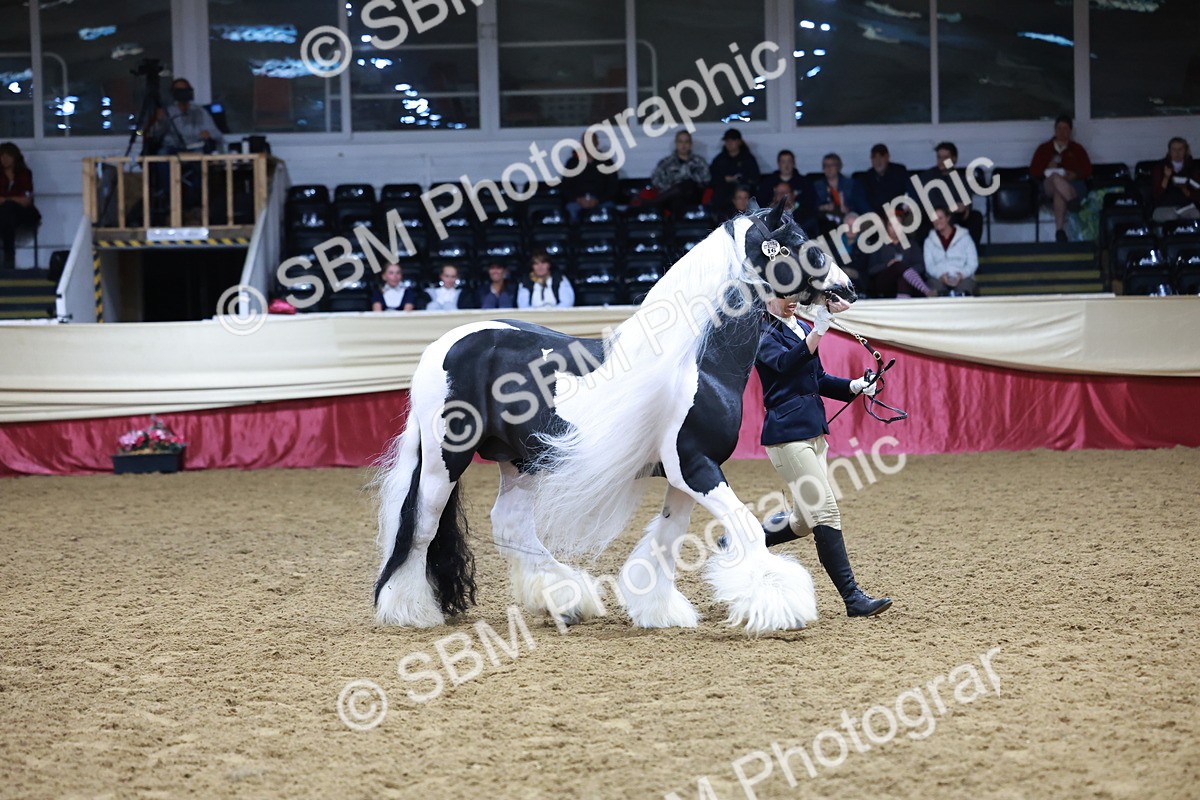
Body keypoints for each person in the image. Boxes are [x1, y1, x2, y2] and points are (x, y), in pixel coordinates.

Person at [754, 294, 892, 618]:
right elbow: (786, 364)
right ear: (766, 297)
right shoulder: (762, 334)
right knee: (826, 511)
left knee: (803, 522)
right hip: (788, 438)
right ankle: (852, 598)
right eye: (781, 296)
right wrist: (817, 333)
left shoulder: (801, 327)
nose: (790, 301)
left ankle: (742, 541)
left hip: (815, 435)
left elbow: (818, 379)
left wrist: (855, 386)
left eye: (792, 295)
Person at [1029, 115, 1092, 243]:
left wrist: (1074, 174)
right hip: (1049, 185)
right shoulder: (1044, 149)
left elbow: (1088, 170)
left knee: (1059, 192)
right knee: (1055, 178)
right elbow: (1034, 171)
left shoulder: (1077, 149)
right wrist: (1047, 167)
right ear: (1055, 130)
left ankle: (1059, 231)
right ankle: (1074, 204)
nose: (1062, 132)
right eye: (1059, 128)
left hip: (1073, 185)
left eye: (1065, 129)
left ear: (1070, 131)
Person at [925, 142, 983, 245]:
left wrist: (964, 209)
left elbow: (966, 204)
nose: (941, 161)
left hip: (956, 216)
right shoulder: (928, 176)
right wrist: (949, 208)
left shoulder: (961, 179)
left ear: (954, 159)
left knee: (976, 217)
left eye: (945, 157)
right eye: (939, 157)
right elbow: (930, 201)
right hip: (935, 216)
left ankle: (971, 252)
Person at [150, 78, 224, 154]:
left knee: (200, 154)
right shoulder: (168, 112)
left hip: (196, 147)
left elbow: (217, 134)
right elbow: (155, 134)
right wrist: (159, 120)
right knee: (162, 154)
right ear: (173, 93)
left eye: (185, 90)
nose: (182, 93)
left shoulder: (200, 111)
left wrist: (209, 134)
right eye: (179, 90)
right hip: (172, 148)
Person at [867, 220, 935, 298]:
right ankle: (926, 290)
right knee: (897, 265)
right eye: (891, 225)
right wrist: (888, 265)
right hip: (884, 283)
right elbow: (871, 270)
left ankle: (903, 305)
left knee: (903, 278)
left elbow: (920, 266)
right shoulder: (879, 245)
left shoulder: (911, 244)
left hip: (908, 283)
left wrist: (905, 272)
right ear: (886, 227)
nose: (895, 228)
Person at [649, 130, 710, 217]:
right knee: (677, 199)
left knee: (688, 184)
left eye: (686, 142)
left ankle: (654, 202)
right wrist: (670, 187)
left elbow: (707, 179)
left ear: (691, 144)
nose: (683, 145)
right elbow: (655, 180)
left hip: (693, 196)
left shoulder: (699, 161)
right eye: (680, 142)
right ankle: (679, 228)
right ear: (676, 144)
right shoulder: (666, 163)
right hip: (671, 199)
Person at [562, 132, 619, 223]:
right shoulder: (572, 163)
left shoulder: (607, 162)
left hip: (601, 201)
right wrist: (578, 199)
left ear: (597, 143)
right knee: (570, 210)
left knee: (609, 210)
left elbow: (613, 186)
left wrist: (598, 200)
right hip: (578, 201)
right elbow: (565, 187)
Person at [757, 149, 818, 232]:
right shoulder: (768, 183)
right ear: (778, 164)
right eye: (783, 162)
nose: (786, 165)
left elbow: (811, 205)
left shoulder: (804, 183)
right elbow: (760, 205)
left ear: (794, 163)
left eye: (789, 161)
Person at [0, 142, 39, 270]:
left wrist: (7, 199)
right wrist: (13, 199)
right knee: (7, 214)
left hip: (23, 213)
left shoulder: (25, 174)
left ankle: (8, 257)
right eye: (2, 156)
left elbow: (26, 200)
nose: (4, 159)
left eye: (7, 156)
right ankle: (9, 257)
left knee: (8, 208)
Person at [923, 207, 978, 296]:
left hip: (962, 277)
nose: (937, 221)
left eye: (940, 218)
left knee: (964, 289)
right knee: (933, 288)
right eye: (934, 219)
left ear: (948, 218)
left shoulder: (965, 237)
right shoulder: (929, 241)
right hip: (939, 278)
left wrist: (961, 275)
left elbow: (973, 263)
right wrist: (940, 276)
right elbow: (929, 265)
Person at [709, 128, 760, 219]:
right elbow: (712, 178)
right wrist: (725, 179)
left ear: (739, 142)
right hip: (724, 193)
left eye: (732, 140)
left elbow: (755, 177)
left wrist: (740, 179)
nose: (729, 143)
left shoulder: (748, 159)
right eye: (727, 141)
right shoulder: (719, 160)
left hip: (743, 190)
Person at [812, 153, 867, 234]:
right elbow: (811, 206)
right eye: (826, 165)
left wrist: (848, 209)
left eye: (832, 165)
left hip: (847, 218)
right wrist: (823, 207)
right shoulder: (817, 185)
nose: (829, 168)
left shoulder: (851, 184)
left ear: (839, 167)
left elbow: (861, 204)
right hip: (826, 221)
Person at [1150, 137, 1200, 222]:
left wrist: (1185, 189)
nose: (1177, 153)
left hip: (1186, 206)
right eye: (1174, 149)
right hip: (1165, 206)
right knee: (1170, 216)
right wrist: (1166, 177)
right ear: (1169, 151)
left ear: (1186, 150)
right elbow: (1156, 194)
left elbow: (1197, 193)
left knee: (1195, 215)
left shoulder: (1193, 167)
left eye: (1180, 149)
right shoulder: (1160, 166)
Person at [861, 143, 909, 215]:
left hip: (899, 212)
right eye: (874, 157)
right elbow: (864, 201)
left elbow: (910, 191)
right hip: (877, 216)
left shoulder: (899, 171)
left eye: (881, 156)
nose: (878, 161)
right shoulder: (867, 177)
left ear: (887, 157)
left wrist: (905, 206)